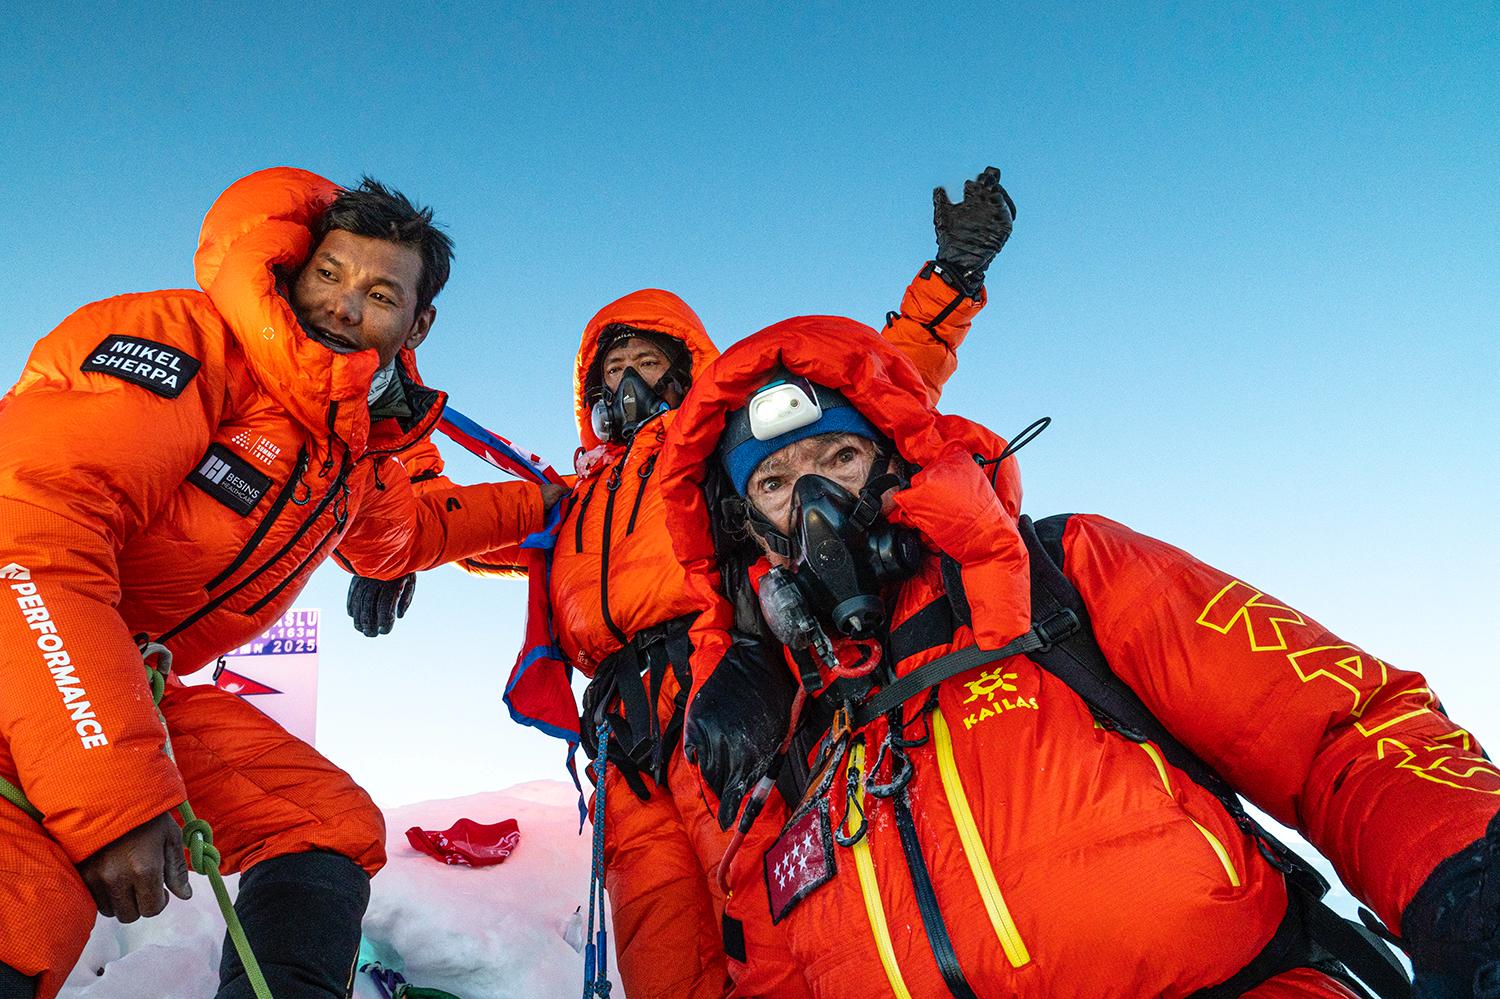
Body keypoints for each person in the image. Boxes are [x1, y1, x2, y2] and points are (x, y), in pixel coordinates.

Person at [656, 316, 1500, 998]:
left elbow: (1336, 726)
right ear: (749, 531)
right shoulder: (782, 724)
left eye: (840, 459)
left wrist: (1462, 870)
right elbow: (773, 967)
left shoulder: (1069, 574)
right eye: (776, 484)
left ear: (898, 460)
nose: (817, 506)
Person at [345, 169, 1018, 998]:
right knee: (661, 949)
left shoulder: (716, 458)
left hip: (731, 696)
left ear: (682, 371)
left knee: (779, 932)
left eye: (645, 361)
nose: (627, 380)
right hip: (623, 747)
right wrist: (390, 507)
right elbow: (425, 520)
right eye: (614, 367)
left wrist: (950, 283)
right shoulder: (559, 502)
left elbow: (872, 381)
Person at [0, 167, 559, 999]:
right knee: (27, 900)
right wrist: (113, 791)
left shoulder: (350, 448)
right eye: (328, 274)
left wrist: (548, 502)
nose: (342, 304)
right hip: (33, 638)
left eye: (379, 292)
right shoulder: (185, 343)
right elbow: (31, 531)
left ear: (418, 322)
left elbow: (407, 534)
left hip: (126, 675)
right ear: (294, 272)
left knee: (320, 823)